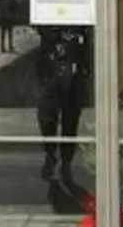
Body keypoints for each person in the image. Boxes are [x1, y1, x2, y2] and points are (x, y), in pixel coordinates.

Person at [35, 25, 91, 183]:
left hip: (73, 77)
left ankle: (66, 162)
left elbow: (85, 51)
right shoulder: (49, 28)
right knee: (47, 118)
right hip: (51, 75)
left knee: (70, 122)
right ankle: (51, 155)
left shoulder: (80, 29)